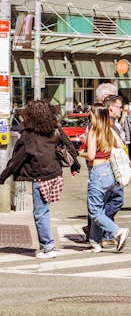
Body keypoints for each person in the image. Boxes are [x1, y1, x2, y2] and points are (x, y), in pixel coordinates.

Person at [0, 100, 80, 259]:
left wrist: (3, 177)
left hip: (39, 177)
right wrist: (75, 166)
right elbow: (68, 146)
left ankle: (48, 246)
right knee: (44, 210)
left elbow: (17, 159)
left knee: (40, 213)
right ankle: (46, 245)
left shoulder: (28, 135)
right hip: (54, 175)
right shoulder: (55, 129)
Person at [80, 105, 129, 253]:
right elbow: (121, 145)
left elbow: (91, 155)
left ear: (96, 116)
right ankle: (95, 242)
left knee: (94, 211)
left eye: (91, 115)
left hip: (98, 171)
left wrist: (81, 152)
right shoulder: (110, 130)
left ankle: (117, 231)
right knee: (100, 208)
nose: (90, 117)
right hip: (110, 171)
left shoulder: (94, 132)